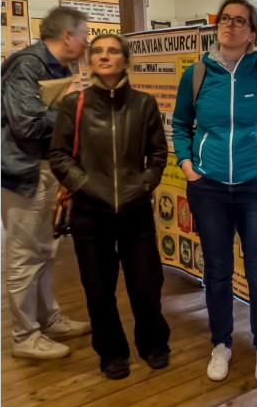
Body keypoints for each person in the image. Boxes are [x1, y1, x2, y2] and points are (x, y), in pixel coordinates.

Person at [172, 0, 257, 383]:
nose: (230, 25)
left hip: (256, 190)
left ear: (252, 32)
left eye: (239, 21)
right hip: (207, 187)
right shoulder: (196, 75)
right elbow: (180, 123)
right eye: (224, 19)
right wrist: (187, 164)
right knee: (218, 270)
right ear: (217, 27)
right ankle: (221, 343)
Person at [48, 34, 171, 379]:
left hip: (135, 211)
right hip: (91, 212)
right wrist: (85, 185)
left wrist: (144, 184)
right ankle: (112, 352)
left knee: (147, 285)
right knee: (99, 289)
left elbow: (158, 154)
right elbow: (58, 154)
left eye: (113, 51)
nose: (105, 56)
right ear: (90, 61)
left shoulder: (144, 104)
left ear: (125, 60)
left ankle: (153, 343)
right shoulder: (74, 105)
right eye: (98, 51)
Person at [1, 6, 92, 360]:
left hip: (41, 168)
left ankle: (48, 318)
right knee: (25, 255)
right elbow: (27, 124)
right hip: (22, 171)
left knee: (43, 251)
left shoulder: (58, 67)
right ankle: (25, 336)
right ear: (67, 36)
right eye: (84, 34)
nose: (87, 41)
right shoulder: (28, 65)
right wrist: (74, 110)